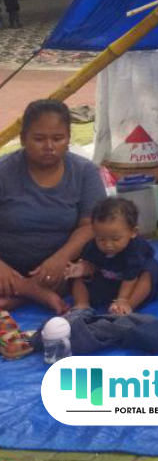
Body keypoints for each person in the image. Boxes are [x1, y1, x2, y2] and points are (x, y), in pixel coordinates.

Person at [0, 100, 105, 312]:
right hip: (7, 268)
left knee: (118, 257)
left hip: (61, 270)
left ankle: (20, 293)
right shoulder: (4, 171)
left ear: (68, 139)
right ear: (22, 139)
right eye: (39, 139)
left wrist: (61, 258)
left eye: (58, 138)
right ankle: (32, 291)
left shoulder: (84, 171)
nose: (49, 147)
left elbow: (91, 225)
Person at [68, 197, 158, 314]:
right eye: (101, 239)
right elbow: (92, 265)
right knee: (79, 277)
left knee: (152, 270)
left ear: (133, 232)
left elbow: (131, 277)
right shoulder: (92, 246)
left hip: (134, 285)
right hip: (109, 283)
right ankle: (81, 305)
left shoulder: (135, 249)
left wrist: (122, 299)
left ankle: (126, 307)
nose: (108, 245)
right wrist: (82, 268)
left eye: (115, 239)